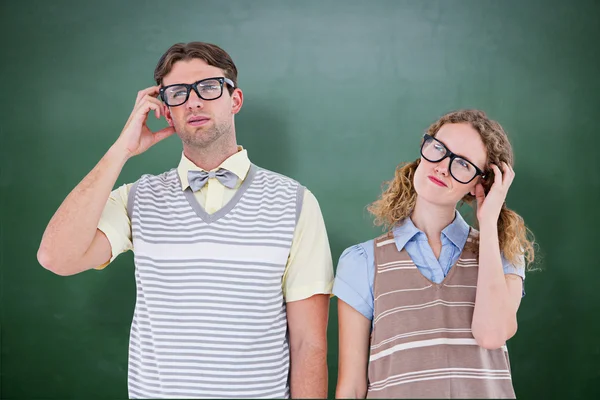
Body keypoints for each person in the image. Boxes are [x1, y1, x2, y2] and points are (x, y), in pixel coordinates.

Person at [37, 42, 333, 399]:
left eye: (208, 87)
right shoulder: (137, 199)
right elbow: (56, 257)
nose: (193, 101)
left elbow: (309, 344)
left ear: (235, 100)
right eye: (177, 93)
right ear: (165, 110)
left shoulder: (295, 202)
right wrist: (122, 150)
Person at [333, 109, 535, 398]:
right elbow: (351, 387)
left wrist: (488, 224)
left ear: (480, 184)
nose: (442, 166)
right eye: (438, 149)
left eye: (463, 164)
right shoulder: (361, 262)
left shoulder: (501, 254)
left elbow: (490, 335)